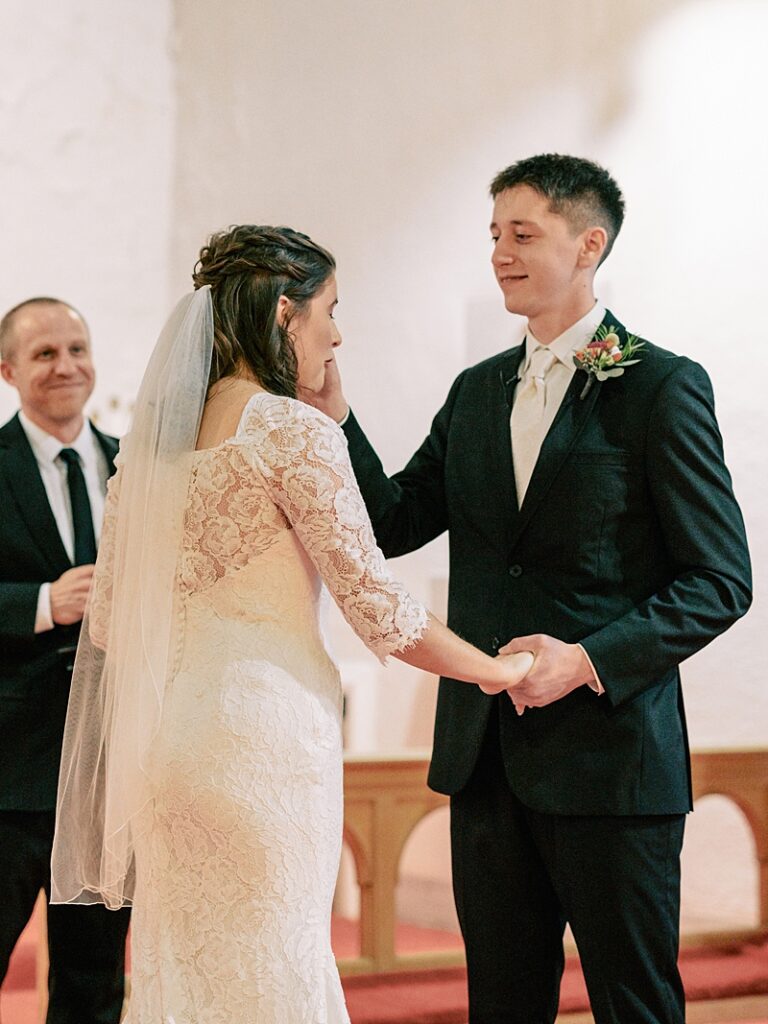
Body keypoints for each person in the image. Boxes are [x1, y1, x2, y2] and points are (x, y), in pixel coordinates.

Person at [307, 155, 753, 1024]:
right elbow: (395, 519)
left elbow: (719, 579)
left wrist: (586, 659)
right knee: (502, 1005)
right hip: (487, 762)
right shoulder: (475, 394)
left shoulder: (660, 386)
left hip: (612, 762)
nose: (501, 254)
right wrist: (336, 417)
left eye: (523, 234)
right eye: (493, 237)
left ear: (589, 244)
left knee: (636, 1003)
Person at [49, 225, 533, 1023]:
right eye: (330, 310)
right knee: (278, 962)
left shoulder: (148, 450)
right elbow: (377, 604)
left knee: (186, 969)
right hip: (261, 745)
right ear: (285, 313)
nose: (336, 333)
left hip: (169, 748)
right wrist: (498, 670)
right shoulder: (289, 429)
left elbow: (105, 623)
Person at [0, 298, 130, 1023]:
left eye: (77, 348)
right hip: (10, 773)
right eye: (46, 354)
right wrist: (43, 602)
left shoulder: (133, 467)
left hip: (107, 777)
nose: (67, 367)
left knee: (93, 979)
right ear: (9, 370)